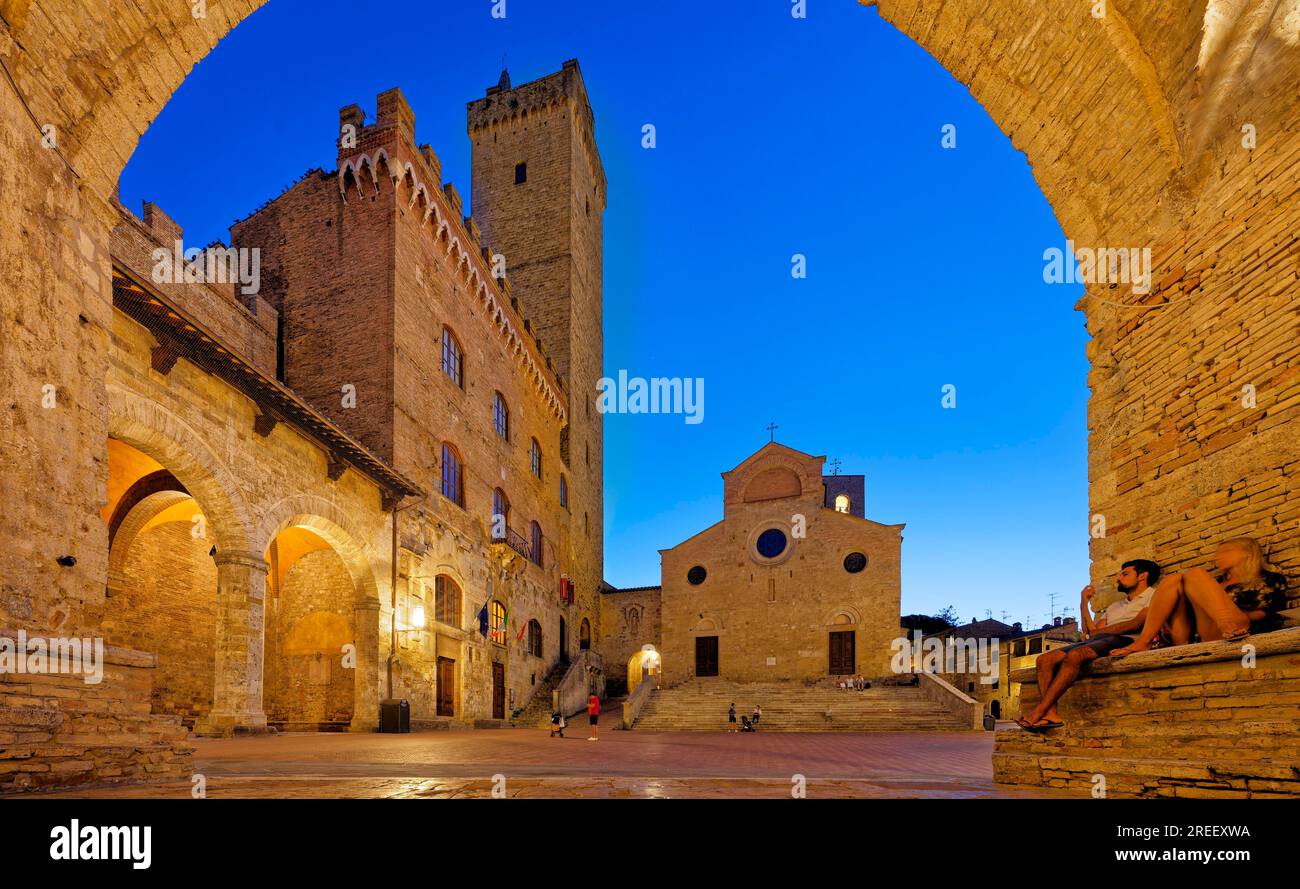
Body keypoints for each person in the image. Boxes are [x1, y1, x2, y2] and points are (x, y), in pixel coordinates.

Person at [1016, 558, 1161, 733]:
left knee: (1075, 656)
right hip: (1099, 640)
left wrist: (1103, 631)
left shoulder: (1153, 596)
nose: (1118, 578)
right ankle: (1051, 715)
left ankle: (1039, 711)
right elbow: (1089, 631)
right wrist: (1083, 602)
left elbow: (1135, 624)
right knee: (1044, 659)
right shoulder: (1115, 606)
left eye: (1125, 574)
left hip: (1125, 639)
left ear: (1142, 576)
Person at [1112, 537, 1288, 657]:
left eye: (1225, 552)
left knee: (1195, 574)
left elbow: (1268, 613)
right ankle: (1144, 640)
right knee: (1173, 579)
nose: (1216, 558)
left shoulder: (1268, 579)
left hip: (1241, 626)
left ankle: (1228, 622)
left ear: (1246, 553)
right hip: (1202, 633)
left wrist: (1235, 617)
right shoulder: (1215, 582)